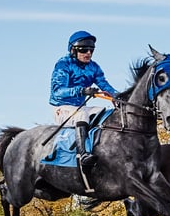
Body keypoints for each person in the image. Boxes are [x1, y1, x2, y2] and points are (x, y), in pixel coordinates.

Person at [49, 30, 118, 168]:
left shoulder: (94, 67)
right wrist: (82, 91)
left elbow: (105, 86)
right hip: (62, 108)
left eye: (91, 50)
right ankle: (83, 155)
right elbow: (57, 91)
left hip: (81, 107)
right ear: (73, 50)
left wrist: (118, 97)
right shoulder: (63, 64)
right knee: (82, 114)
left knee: (105, 112)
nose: (88, 53)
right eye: (84, 50)